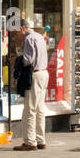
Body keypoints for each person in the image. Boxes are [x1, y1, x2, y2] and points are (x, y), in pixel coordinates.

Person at [13, 18, 50, 151]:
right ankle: (41, 139)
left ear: (22, 29)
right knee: (40, 109)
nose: (15, 35)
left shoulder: (28, 39)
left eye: (16, 33)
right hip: (44, 73)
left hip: (34, 74)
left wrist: (17, 59)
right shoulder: (39, 36)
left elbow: (28, 60)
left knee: (30, 109)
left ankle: (30, 141)